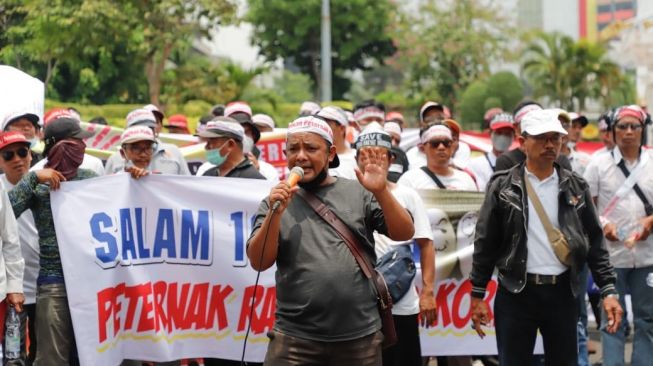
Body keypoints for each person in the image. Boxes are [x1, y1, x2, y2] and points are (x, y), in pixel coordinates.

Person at [246, 116, 414, 366]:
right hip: (294, 341)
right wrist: (275, 213)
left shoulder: (359, 192)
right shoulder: (274, 202)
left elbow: (404, 232)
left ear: (330, 153)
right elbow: (259, 262)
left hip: (359, 339)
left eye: (311, 148)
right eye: (293, 149)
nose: (301, 156)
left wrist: (381, 191)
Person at [470, 108, 622, 366]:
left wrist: (608, 290)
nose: (550, 144)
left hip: (562, 292)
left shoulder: (576, 186)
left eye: (556, 137)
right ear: (523, 141)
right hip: (516, 293)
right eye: (542, 137)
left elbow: (595, 241)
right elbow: (486, 242)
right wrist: (477, 294)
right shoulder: (502, 187)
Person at [9, 117, 97, 365]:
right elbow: (6, 214)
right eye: (77, 141)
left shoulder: (90, 177)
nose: (83, 147)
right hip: (53, 280)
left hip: (91, 280)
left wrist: (135, 178)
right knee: (51, 359)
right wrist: (33, 179)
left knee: (91, 356)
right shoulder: (37, 182)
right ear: (58, 146)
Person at [353, 126, 436, 366]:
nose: (372, 161)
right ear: (356, 159)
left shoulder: (408, 195)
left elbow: (426, 244)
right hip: (358, 305)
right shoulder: (346, 194)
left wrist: (428, 292)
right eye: (365, 155)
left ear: (391, 159)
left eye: (379, 155)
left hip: (401, 303)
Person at [583, 105, 653, 366]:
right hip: (610, 258)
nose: (628, 132)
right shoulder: (598, 165)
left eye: (634, 126)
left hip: (648, 256)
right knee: (612, 318)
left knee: (647, 320)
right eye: (622, 126)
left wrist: (651, 221)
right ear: (612, 131)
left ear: (642, 130)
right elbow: (586, 206)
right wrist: (604, 225)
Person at [0, 132, 38, 365]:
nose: (17, 159)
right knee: (14, 355)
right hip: (10, 293)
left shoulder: (47, 183)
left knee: (24, 354)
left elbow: (10, 241)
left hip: (17, 292)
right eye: (8, 154)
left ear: (31, 155)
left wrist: (14, 287)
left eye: (23, 152)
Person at [104, 108, 190, 175]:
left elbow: (186, 185)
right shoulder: (115, 160)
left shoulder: (173, 152)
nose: (144, 132)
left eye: (150, 127)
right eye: (139, 128)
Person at [495, 101, 573, 172]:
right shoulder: (506, 161)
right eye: (540, 137)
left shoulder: (561, 161)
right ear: (516, 128)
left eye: (555, 138)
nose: (549, 145)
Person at [398, 124, 477, 191]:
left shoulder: (466, 180)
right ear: (423, 148)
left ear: (452, 146)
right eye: (435, 143)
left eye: (446, 143)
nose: (441, 147)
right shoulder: (409, 180)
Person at [33, 108, 105, 176]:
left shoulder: (94, 165)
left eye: (81, 140)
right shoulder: (36, 174)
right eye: (76, 141)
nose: (83, 145)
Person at [199, 118, 265, 180]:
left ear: (230, 144)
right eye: (207, 142)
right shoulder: (207, 176)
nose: (206, 147)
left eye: (211, 142)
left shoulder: (253, 179)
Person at [468, 113, 515, 191]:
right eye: (499, 133)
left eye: (507, 134)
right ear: (490, 133)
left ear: (514, 136)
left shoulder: (519, 165)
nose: (503, 137)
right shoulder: (475, 165)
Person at [317, 106, 357, 180]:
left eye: (326, 125)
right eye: (319, 125)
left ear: (342, 129)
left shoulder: (357, 158)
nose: (321, 129)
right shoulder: (312, 158)